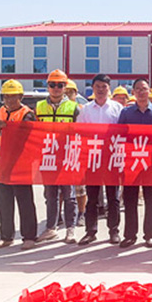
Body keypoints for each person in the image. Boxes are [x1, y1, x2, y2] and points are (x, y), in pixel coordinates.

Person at [117, 78, 152, 248]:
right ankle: (130, 235)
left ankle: (150, 235)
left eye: (144, 88)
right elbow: (120, 136)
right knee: (130, 199)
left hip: (151, 162)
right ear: (133, 92)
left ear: (149, 91)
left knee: (150, 199)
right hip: (131, 162)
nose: (141, 92)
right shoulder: (126, 113)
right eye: (137, 89)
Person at [77, 74, 124, 246]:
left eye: (104, 86)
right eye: (97, 86)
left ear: (109, 89)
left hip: (112, 158)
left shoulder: (117, 108)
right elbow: (79, 132)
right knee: (92, 197)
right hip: (92, 158)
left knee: (113, 197)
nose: (101, 90)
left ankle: (114, 231)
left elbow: (123, 132)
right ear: (92, 88)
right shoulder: (86, 109)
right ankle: (90, 231)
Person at [0, 80, 38, 250]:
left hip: (20, 164)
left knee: (24, 201)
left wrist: (8, 127)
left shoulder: (27, 114)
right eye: (6, 97)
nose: (9, 100)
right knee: (3, 201)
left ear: (21, 97)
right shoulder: (1, 111)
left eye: (13, 96)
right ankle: (6, 236)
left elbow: (28, 137)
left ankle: (29, 237)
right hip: (2, 162)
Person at [35, 69, 80, 244]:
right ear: (47, 86)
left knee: (69, 195)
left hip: (67, 157)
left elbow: (81, 133)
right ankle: (51, 228)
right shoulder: (39, 107)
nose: (56, 88)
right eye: (52, 84)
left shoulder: (74, 108)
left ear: (65, 87)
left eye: (60, 85)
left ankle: (70, 229)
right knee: (50, 195)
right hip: (48, 157)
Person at [64, 79, 88, 227]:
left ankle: (81, 213)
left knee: (80, 187)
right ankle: (61, 215)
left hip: (78, 151)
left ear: (76, 93)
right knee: (61, 186)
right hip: (61, 151)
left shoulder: (81, 109)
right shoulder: (58, 109)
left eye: (70, 92)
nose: (67, 94)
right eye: (65, 92)